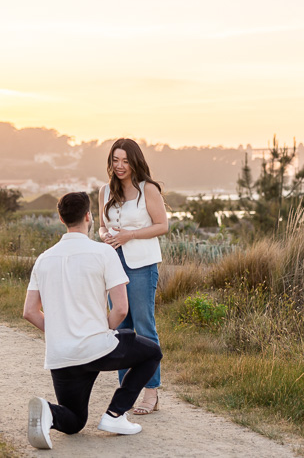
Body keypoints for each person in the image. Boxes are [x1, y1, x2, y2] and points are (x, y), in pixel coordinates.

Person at [23, 191, 162, 450]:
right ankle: (115, 415)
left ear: (61, 218)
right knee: (152, 352)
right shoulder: (103, 253)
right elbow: (121, 309)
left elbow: (30, 311)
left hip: (62, 356)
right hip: (98, 348)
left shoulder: (43, 259)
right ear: (89, 216)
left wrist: (59, 333)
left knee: (74, 420)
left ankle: (49, 412)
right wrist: (101, 330)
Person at [98, 138, 170, 415]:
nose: (119, 166)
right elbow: (103, 227)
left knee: (144, 325)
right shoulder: (104, 191)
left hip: (142, 265)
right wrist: (106, 236)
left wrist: (129, 235)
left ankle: (151, 394)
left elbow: (162, 225)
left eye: (125, 161)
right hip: (112, 265)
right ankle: (126, 394)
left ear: (135, 162)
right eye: (115, 160)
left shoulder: (147, 190)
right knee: (120, 329)